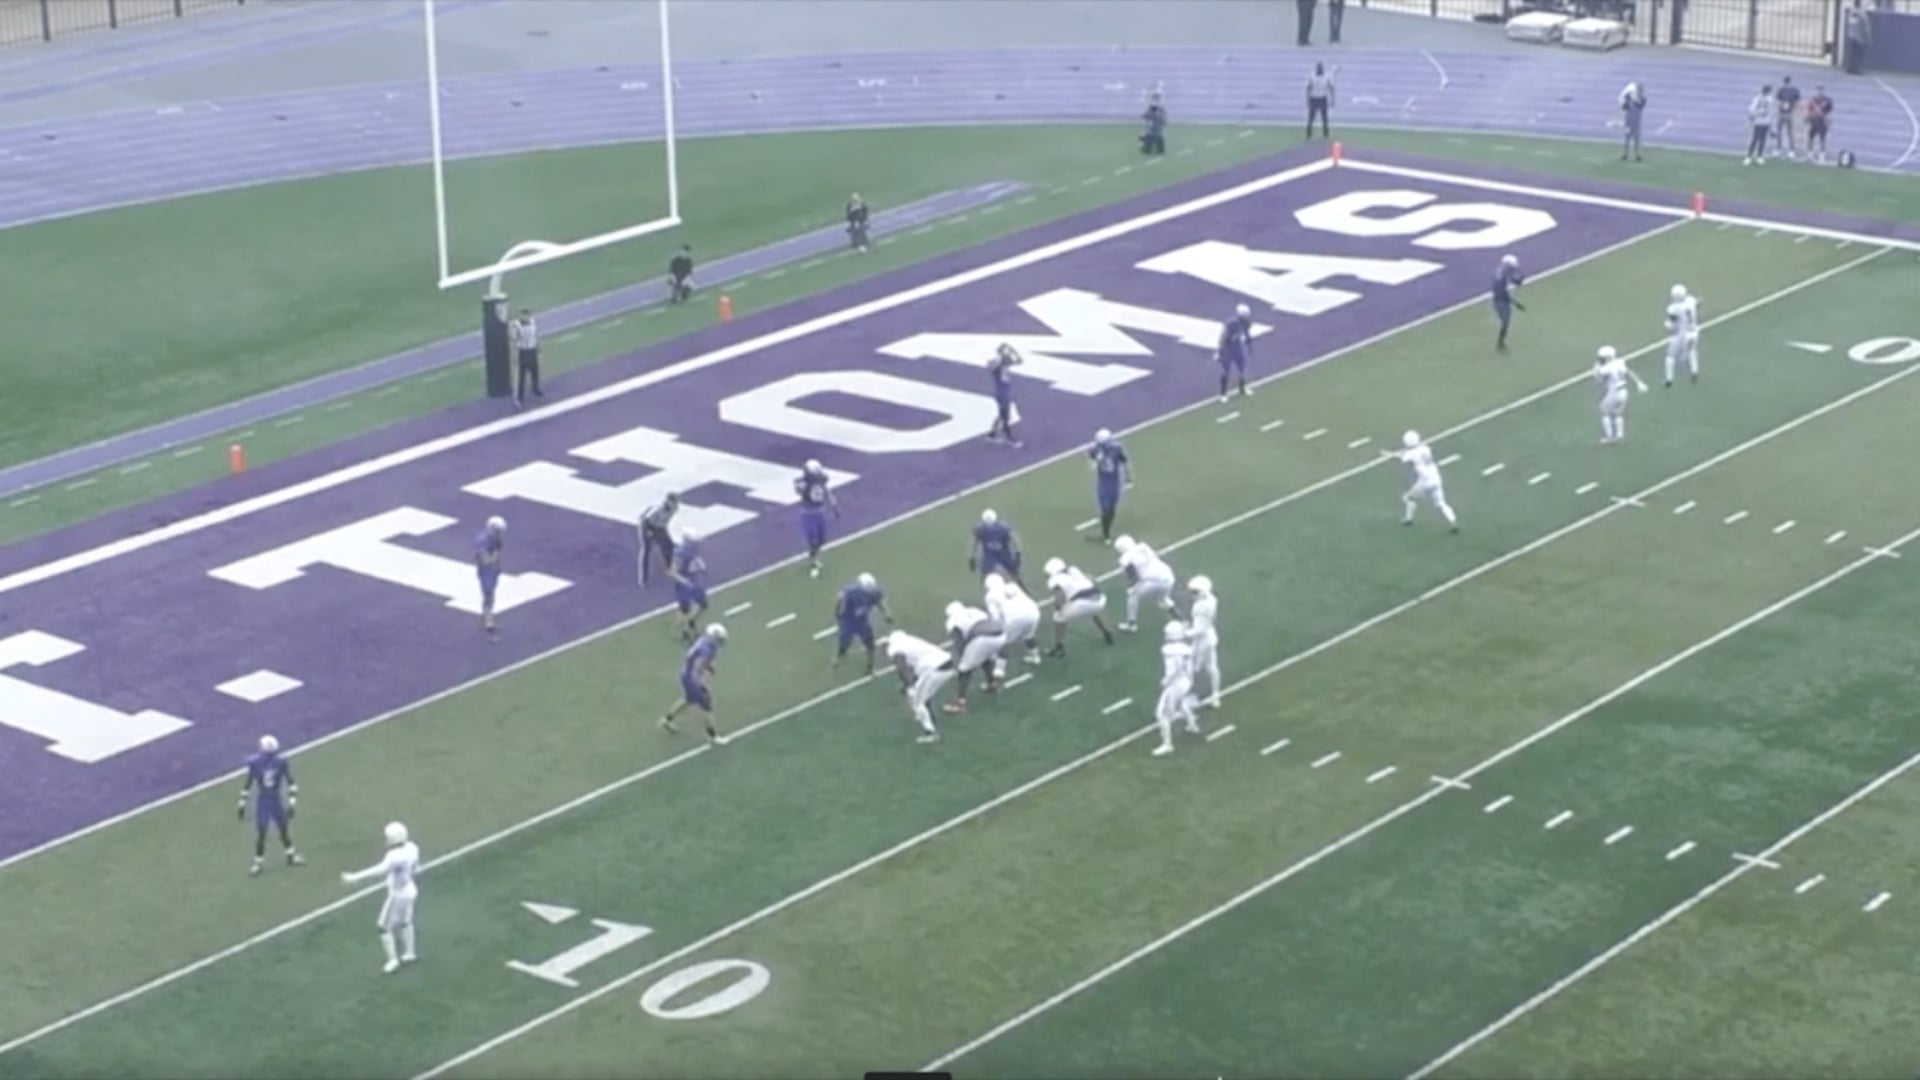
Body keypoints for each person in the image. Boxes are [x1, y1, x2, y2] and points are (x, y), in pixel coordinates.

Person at [339, 821, 420, 974]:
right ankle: (409, 953)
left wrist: (355, 877)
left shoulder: (394, 856)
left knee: (383, 927)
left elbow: (380, 870)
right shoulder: (412, 848)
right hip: (410, 889)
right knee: (405, 922)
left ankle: (393, 960)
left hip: (397, 894)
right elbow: (416, 867)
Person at [239, 734, 303, 876]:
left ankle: (286, 856)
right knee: (267, 832)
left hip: (270, 800)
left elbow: (248, 784)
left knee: (280, 830)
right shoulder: (278, 761)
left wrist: (242, 803)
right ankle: (260, 861)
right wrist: (292, 803)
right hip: (268, 801)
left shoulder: (262, 762)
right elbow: (292, 784)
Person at [1389, 431, 1459, 532]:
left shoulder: (1410, 454)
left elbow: (1404, 458)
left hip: (1424, 482)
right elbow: (1412, 451)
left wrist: (1393, 455)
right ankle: (1453, 521)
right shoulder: (1426, 448)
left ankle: (1409, 519)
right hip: (1436, 479)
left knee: (1408, 497)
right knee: (1442, 503)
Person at [1113, 535, 1175, 633]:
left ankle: (1131, 624)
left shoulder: (1125, 559)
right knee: (1163, 600)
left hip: (1153, 581)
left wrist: (1132, 587)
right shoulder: (1143, 546)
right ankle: (1180, 618)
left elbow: (1133, 576)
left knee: (1132, 596)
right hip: (1168, 575)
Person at [1594, 346, 1651, 444]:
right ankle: (1620, 435)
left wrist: (1596, 368)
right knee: (1618, 413)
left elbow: (1599, 378)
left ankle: (1609, 437)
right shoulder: (1619, 362)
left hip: (1614, 391)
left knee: (1604, 411)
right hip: (1623, 391)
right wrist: (1638, 382)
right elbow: (1628, 372)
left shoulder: (1606, 368)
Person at [1664, 283, 1700, 387]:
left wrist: (1667, 325)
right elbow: (1696, 304)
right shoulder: (1691, 300)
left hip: (1681, 335)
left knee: (1670, 355)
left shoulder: (1673, 308)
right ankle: (1694, 371)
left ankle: (1669, 380)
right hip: (1694, 331)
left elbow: (1672, 325)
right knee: (1692, 350)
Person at [509, 308, 543, 405]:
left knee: (535, 372)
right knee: (522, 376)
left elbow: (536, 335)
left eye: (527, 315)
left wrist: (539, 346)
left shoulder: (533, 322)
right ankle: (519, 397)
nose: (526, 317)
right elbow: (513, 339)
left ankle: (535, 388)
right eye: (524, 315)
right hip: (523, 351)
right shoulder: (516, 325)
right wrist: (515, 354)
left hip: (532, 349)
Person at [1744, 84, 1775, 166]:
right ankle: (1749, 157)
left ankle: (1759, 156)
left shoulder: (1770, 99)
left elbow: (1770, 112)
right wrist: (1759, 113)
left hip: (1766, 122)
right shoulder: (1757, 98)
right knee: (1755, 139)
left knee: (1763, 140)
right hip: (1758, 121)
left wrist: (1771, 125)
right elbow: (1751, 109)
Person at [1620, 81, 1647, 162]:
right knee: (1627, 138)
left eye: (1640, 90)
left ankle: (1637, 155)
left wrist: (1631, 99)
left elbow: (1640, 106)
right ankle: (1625, 154)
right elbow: (1624, 107)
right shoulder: (1631, 99)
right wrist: (1626, 100)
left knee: (1636, 140)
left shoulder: (1643, 99)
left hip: (1636, 122)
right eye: (1638, 89)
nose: (1639, 91)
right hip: (1628, 121)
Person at [1806, 86, 1834, 163]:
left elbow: (1830, 111)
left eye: (1820, 91)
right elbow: (1810, 110)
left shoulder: (1827, 100)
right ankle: (1810, 154)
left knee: (1822, 138)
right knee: (1811, 137)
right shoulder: (1813, 100)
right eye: (1818, 91)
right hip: (1814, 120)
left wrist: (1829, 121)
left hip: (1822, 120)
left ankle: (1822, 155)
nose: (1819, 92)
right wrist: (1809, 118)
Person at [1306, 63, 1334, 139]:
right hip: (1313, 97)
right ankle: (1309, 133)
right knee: (1311, 117)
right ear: (1316, 69)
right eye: (1318, 68)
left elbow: (1331, 87)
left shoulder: (1327, 76)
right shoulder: (1311, 76)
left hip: (1323, 97)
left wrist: (1332, 99)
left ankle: (1326, 133)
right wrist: (1307, 99)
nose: (1319, 70)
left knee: (1324, 117)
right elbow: (1308, 88)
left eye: (1320, 68)